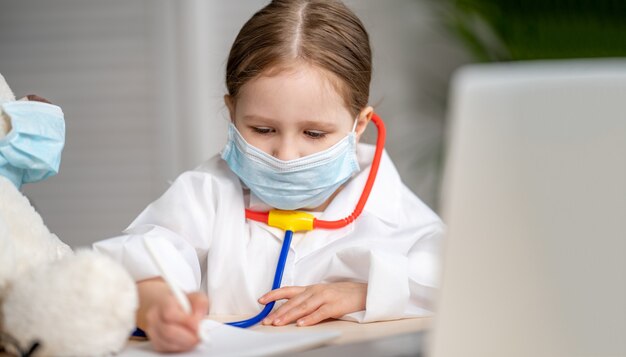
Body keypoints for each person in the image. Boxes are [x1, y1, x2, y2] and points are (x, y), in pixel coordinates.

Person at [93, 0, 443, 352]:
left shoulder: (393, 206)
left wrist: (364, 292)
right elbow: (143, 259)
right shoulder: (207, 192)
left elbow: (456, 279)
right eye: (262, 129)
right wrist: (158, 309)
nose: (286, 156)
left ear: (359, 126)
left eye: (314, 134)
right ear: (232, 112)